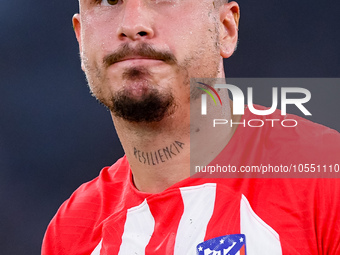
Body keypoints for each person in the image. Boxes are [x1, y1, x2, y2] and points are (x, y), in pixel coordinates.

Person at [42, 0, 340, 254]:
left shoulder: (324, 175)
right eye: (108, 0)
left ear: (225, 29)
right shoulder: (71, 232)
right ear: (81, 39)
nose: (132, 24)